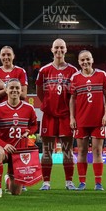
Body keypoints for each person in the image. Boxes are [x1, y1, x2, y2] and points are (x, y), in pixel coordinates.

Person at [36, 38, 78, 190]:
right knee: (47, 150)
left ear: (66, 50)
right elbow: (40, 93)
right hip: (49, 115)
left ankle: (69, 182)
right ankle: (46, 182)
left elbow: (75, 95)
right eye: (56, 48)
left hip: (66, 116)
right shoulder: (44, 71)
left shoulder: (73, 71)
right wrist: (48, 104)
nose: (59, 50)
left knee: (67, 149)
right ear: (51, 50)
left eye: (62, 48)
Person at [69, 50, 106, 191]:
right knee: (81, 151)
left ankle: (98, 183)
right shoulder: (75, 78)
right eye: (82, 60)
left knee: (97, 151)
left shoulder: (101, 75)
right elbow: (72, 99)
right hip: (81, 120)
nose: (85, 62)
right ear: (79, 62)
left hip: (98, 120)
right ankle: (82, 183)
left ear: (92, 60)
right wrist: (72, 117)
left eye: (87, 59)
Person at [0, 79, 38, 198]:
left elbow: (34, 125)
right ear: (6, 90)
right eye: (11, 88)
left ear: (21, 90)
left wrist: (29, 132)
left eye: (17, 88)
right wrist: (4, 145)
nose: (14, 90)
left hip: (20, 151)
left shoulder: (29, 108)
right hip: (4, 149)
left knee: (15, 192)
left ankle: (8, 180)